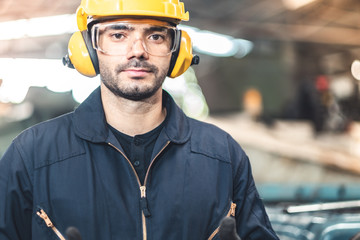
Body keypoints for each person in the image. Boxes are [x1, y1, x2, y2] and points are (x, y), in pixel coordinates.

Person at [0, 0, 279, 239]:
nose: (138, 51)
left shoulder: (222, 155)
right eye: (119, 35)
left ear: (178, 50)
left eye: (155, 36)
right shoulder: (32, 155)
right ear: (88, 49)